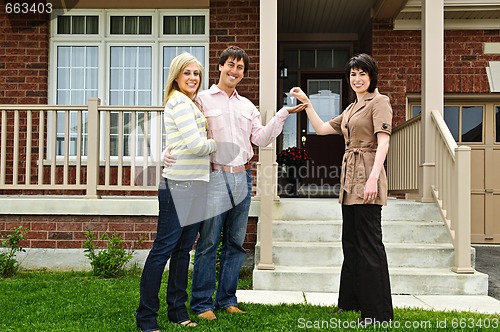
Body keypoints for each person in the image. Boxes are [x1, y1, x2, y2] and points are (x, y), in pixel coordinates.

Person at [164, 46, 307, 320]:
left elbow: (262, 139)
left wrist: (282, 114)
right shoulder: (201, 100)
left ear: (243, 73)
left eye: (240, 67)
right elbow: (182, 131)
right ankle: (202, 304)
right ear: (220, 67)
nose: (234, 70)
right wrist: (167, 150)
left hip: (243, 176)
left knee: (235, 242)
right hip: (215, 176)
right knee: (208, 242)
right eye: (230, 64)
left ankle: (227, 299)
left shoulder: (247, 106)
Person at [290, 53, 394, 327]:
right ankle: (350, 302)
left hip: (367, 173)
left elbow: (383, 143)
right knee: (351, 243)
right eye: (353, 74)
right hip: (350, 179)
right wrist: (308, 104)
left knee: (369, 245)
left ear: (372, 76)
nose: (357, 79)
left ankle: (377, 314)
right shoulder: (350, 109)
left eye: (362, 73)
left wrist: (373, 179)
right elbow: (323, 129)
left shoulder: (379, 102)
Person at [136, 52, 217, 332]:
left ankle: (177, 311)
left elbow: (178, 143)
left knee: (183, 251)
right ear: (176, 76)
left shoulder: (190, 103)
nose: (193, 78)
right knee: (163, 250)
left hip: (195, 184)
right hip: (179, 187)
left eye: (197, 74)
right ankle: (146, 317)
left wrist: (171, 151)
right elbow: (195, 146)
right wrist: (214, 144)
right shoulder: (180, 103)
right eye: (188, 73)